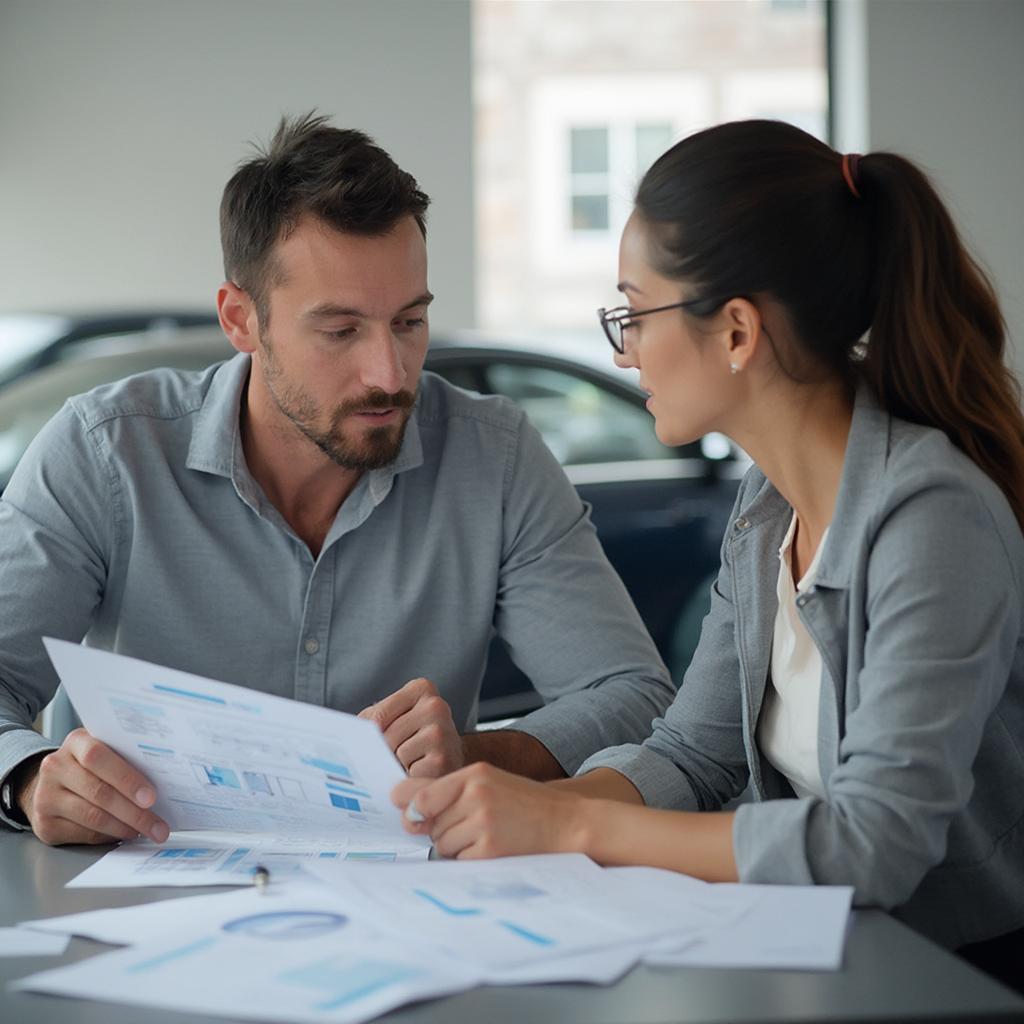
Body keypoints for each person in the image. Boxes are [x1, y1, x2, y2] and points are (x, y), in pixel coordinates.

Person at [392, 120, 1024, 991]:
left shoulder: (932, 519)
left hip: (953, 974)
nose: (625, 351)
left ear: (735, 332)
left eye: (634, 313)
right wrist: (516, 811)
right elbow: (694, 752)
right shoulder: (765, 511)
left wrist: (572, 828)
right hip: (811, 952)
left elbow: (874, 843)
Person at [0, 113, 675, 847]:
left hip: (412, 923)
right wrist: (31, 777)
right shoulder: (105, 453)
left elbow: (631, 696)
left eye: (409, 322)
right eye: (340, 331)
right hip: (131, 906)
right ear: (241, 320)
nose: (388, 374)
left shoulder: (495, 456)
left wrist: (474, 758)